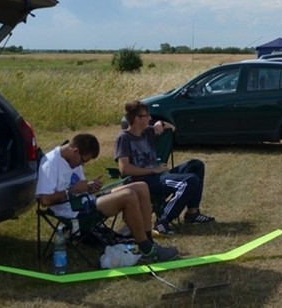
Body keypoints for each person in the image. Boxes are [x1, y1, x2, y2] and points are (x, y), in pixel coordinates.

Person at [36, 133, 178, 263]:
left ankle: (148, 241)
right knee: (128, 196)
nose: (82, 165)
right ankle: (147, 250)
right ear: (75, 151)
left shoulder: (72, 159)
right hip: (75, 211)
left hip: (86, 201)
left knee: (141, 187)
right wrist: (71, 191)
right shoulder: (50, 163)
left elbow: (78, 186)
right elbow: (45, 201)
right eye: (83, 161)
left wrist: (90, 186)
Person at [115, 100, 215, 236]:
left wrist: (160, 124)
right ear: (137, 119)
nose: (150, 118)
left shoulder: (147, 132)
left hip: (158, 176)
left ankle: (193, 213)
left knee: (196, 165)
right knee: (188, 181)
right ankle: (162, 220)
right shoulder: (124, 138)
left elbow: (172, 127)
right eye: (147, 116)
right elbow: (124, 169)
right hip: (143, 181)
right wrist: (153, 170)